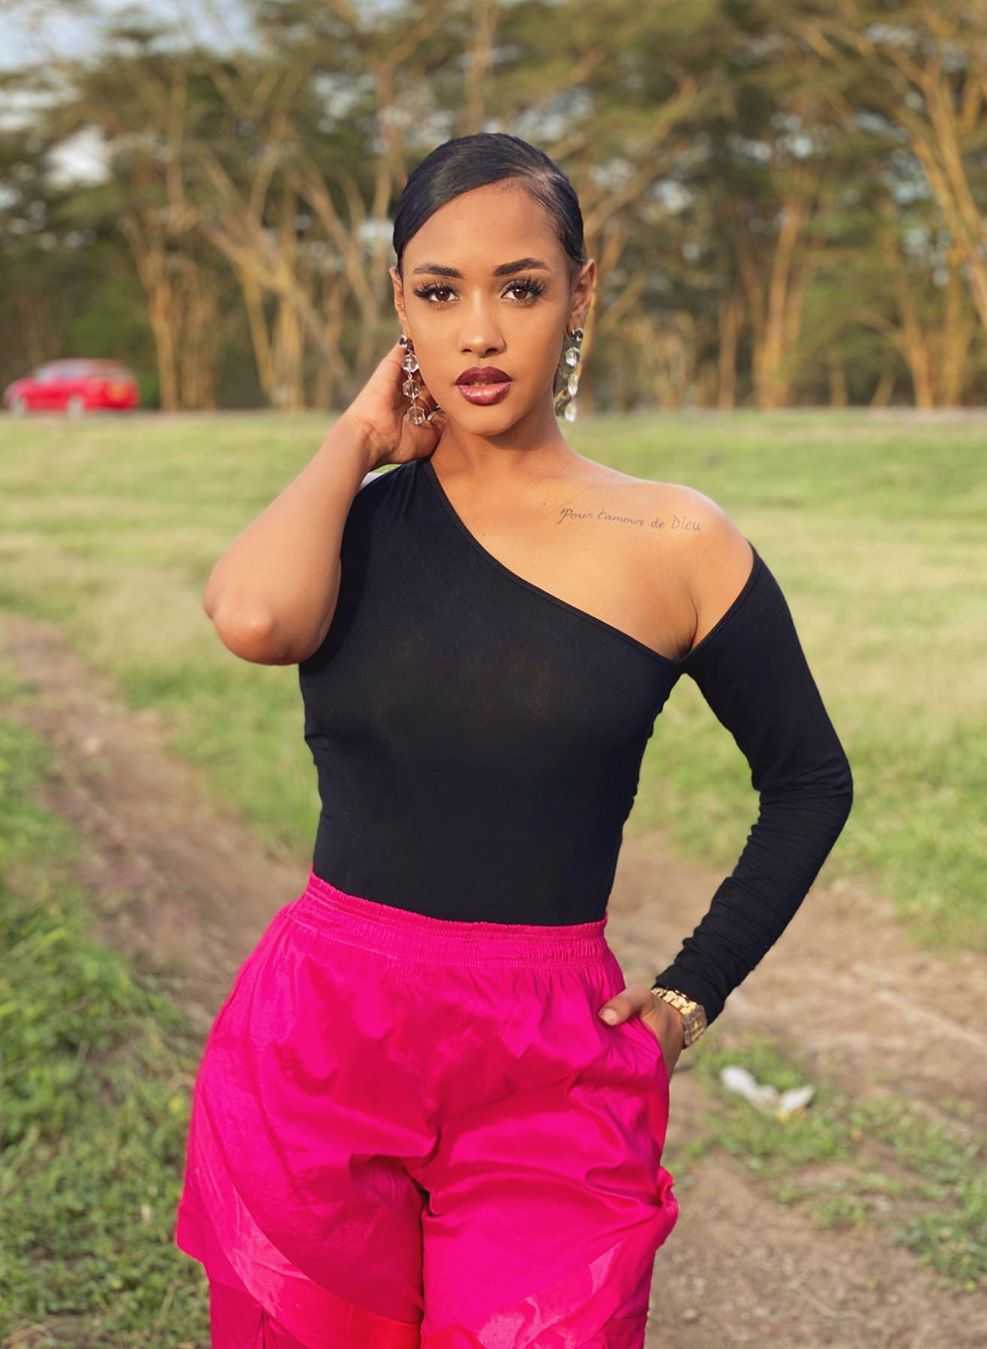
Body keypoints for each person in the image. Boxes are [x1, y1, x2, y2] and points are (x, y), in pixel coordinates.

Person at [173, 131, 854, 1348]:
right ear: (399, 304)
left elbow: (809, 779)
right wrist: (354, 438)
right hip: (325, 1038)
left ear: (581, 293)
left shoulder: (676, 541)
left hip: (551, 1061)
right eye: (440, 293)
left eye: (521, 288)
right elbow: (256, 619)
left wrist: (691, 992)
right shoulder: (352, 522)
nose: (479, 333)